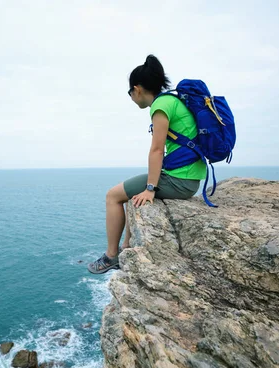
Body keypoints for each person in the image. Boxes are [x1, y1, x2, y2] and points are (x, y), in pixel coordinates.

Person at [87, 55, 207, 274]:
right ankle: (125, 248)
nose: (131, 97)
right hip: (188, 178)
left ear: (137, 89)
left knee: (113, 196)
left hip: (180, 181)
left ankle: (111, 256)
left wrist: (150, 188)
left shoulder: (160, 106)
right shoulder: (172, 101)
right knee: (130, 196)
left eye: (130, 93)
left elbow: (157, 149)